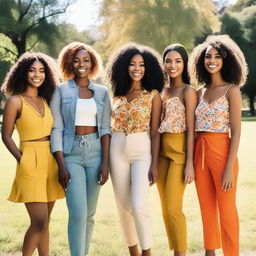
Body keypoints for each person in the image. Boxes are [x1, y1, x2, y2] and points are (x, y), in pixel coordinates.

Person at [50, 42, 111, 256]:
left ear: (92, 63)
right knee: (78, 213)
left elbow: (105, 129)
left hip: (95, 153)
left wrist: (105, 162)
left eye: (86, 60)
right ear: (69, 63)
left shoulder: (102, 92)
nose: (81, 64)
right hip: (71, 154)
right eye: (76, 60)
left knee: (90, 215)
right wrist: (61, 164)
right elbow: (56, 128)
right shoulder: (61, 90)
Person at [188, 34, 248, 256]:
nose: (211, 60)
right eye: (207, 56)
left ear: (226, 60)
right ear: (201, 60)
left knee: (227, 210)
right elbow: (193, 129)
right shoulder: (199, 92)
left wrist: (229, 167)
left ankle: (231, 253)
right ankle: (209, 251)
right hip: (199, 152)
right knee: (206, 208)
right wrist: (190, 163)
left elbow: (237, 130)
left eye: (217, 57)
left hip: (223, 152)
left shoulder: (232, 90)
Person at [1, 52, 65, 256]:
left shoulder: (47, 100)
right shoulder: (15, 101)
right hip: (29, 159)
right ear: (23, 73)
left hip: (50, 161)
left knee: (46, 221)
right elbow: (6, 136)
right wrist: (22, 159)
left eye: (41, 71)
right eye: (32, 70)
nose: (37, 74)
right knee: (39, 221)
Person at [106, 43, 164, 256]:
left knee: (138, 205)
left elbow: (156, 131)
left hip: (142, 151)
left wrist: (155, 164)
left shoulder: (153, 95)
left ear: (147, 67)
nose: (137, 68)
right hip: (117, 148)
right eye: (132, 64)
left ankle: (147, 252)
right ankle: (133, 252)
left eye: (141, 64)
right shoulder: (117, 95)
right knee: (123, 207)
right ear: (124, 67)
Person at [157, 44, 197, 256]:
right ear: (163, 64)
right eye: (169, 61)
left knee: (174, 208)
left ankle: (181, 253)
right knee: (165, 209)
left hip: (180, 154)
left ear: (184, 64)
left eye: (178, 61)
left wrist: (190, 163)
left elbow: (191, 129)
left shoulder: (188, 91)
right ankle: (176, 252)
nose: (173, 65)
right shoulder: (160, 90)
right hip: (162, 154)